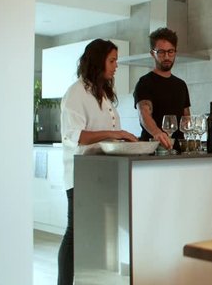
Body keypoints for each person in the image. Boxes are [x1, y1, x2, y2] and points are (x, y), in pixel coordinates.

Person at [59, 39, 138, 284]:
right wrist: (117, 134)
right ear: (97, 61)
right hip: (81, 175)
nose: (116, 66)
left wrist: (121, 140)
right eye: (112, 60)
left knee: (95, 235)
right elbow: (77, 136)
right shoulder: (76, 93)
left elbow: (104, 133)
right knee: (75, 234)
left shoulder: (102, 93)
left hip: (102, 172)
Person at [133, 27, 191, 150]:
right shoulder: (145, 83)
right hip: (152, 150)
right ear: (152, 54)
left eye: (170, 51)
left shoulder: (181, 85)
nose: (166, 57)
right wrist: (158, 134)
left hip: (178, 151)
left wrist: (190, 125)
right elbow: (144, 114)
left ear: (175, 52)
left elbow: (186, 116)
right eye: (161, 52)